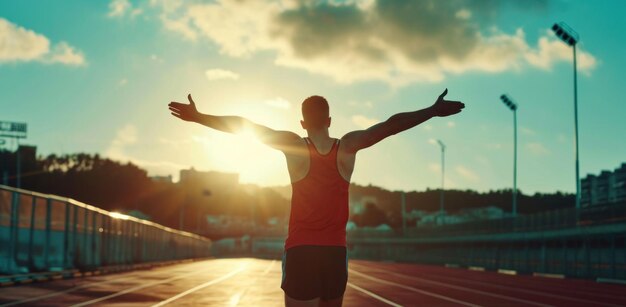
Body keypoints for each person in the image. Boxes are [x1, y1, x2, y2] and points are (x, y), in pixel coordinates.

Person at [168, 90, 465, 307]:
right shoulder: (348, 146)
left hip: (300, 250)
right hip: (335, 253)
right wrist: (432, 110)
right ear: (330, 120)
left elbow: (245, 126)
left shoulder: (292, 144)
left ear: (302, 122)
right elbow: (390, 125)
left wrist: (199, 117)